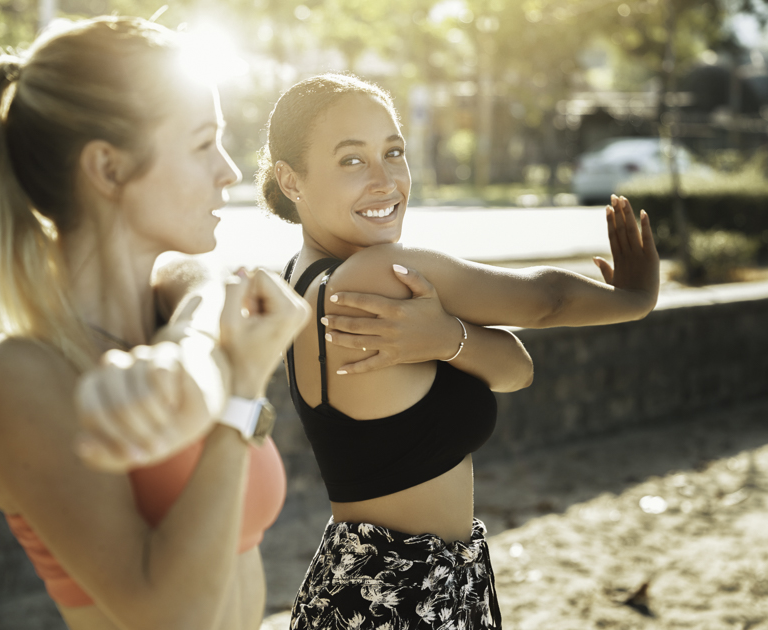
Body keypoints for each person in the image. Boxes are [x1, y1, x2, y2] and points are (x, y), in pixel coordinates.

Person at [0, 16, 310, 630]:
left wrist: (184, 351)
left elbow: (203, 292)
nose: (229, 171)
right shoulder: (17, 377)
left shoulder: (173, 303)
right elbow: (170, 617)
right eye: (201, 143)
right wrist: (241, 394)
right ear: (108, 169)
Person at [255, 73, 660, 629]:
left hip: (366, 588)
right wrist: (634, 299)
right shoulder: (377, 275)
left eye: (393, 152)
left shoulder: (300, 280)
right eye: (352, 161)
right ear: (290, 180)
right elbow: (543, 302)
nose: (386, 180)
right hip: (408, 598)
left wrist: (447, 338)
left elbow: (519, 367)